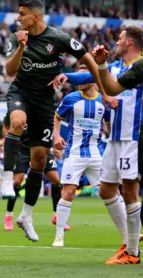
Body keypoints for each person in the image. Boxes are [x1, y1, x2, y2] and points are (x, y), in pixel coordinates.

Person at [4, 0, 108, 243]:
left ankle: (26, 217)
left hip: (44, 101)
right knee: (17, 122)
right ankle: (7, 181)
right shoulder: (17, 37)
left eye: (22, 14)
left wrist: (103, 89)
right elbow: (10, 71)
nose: (18, 18)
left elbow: (87, 58)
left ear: (35, 16)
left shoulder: (59, 39)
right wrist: (20, 47)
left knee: (39, 160)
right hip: (20, 92)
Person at [66, 26, 143, 264]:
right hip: (114, 139)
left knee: (130, 191)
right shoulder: (117, 68)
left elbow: (109, 87)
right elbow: (87, 77)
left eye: (120, 39)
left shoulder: (140, 68)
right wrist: (63, 76)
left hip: (133, 138)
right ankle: (129, 241)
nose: (116, 42)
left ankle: (132, 252)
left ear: (130, 42)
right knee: (106, 189)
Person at [51, 65, 108, 247]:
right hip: (74, 153)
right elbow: (57, 117)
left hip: (96, 154)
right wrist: (57, 136)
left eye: (83, 76)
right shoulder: (71, 99)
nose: (80, 81)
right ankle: (59, 235)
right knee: (67, 193)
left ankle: (128, 235)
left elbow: (108, 120)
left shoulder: (102, 100)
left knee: (109, 192)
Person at [1, 114, 66, 233]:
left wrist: (52, 147)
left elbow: (49, 130)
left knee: (56, 180)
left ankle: (57, 216)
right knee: (17, 181)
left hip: (42, 149)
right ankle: (9, 216)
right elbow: (6, 126)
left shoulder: (42, 109)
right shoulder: (20, 109)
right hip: (23, 150)